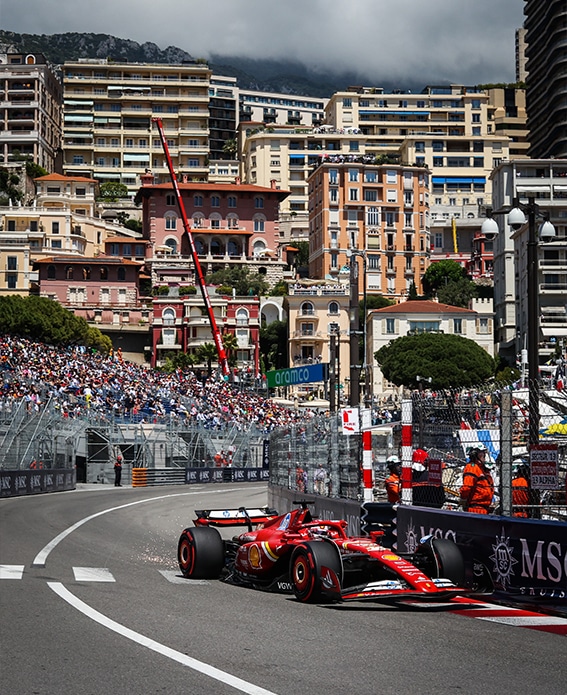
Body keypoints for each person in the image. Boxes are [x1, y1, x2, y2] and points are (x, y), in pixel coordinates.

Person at [459, 444, 495, 514]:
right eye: (482, 453)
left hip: (483, 508)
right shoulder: (472, 467)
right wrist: (463, 499)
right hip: (476, 508)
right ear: (475, 454)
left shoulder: (480, 469)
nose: (484, 455)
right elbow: (467, 487)